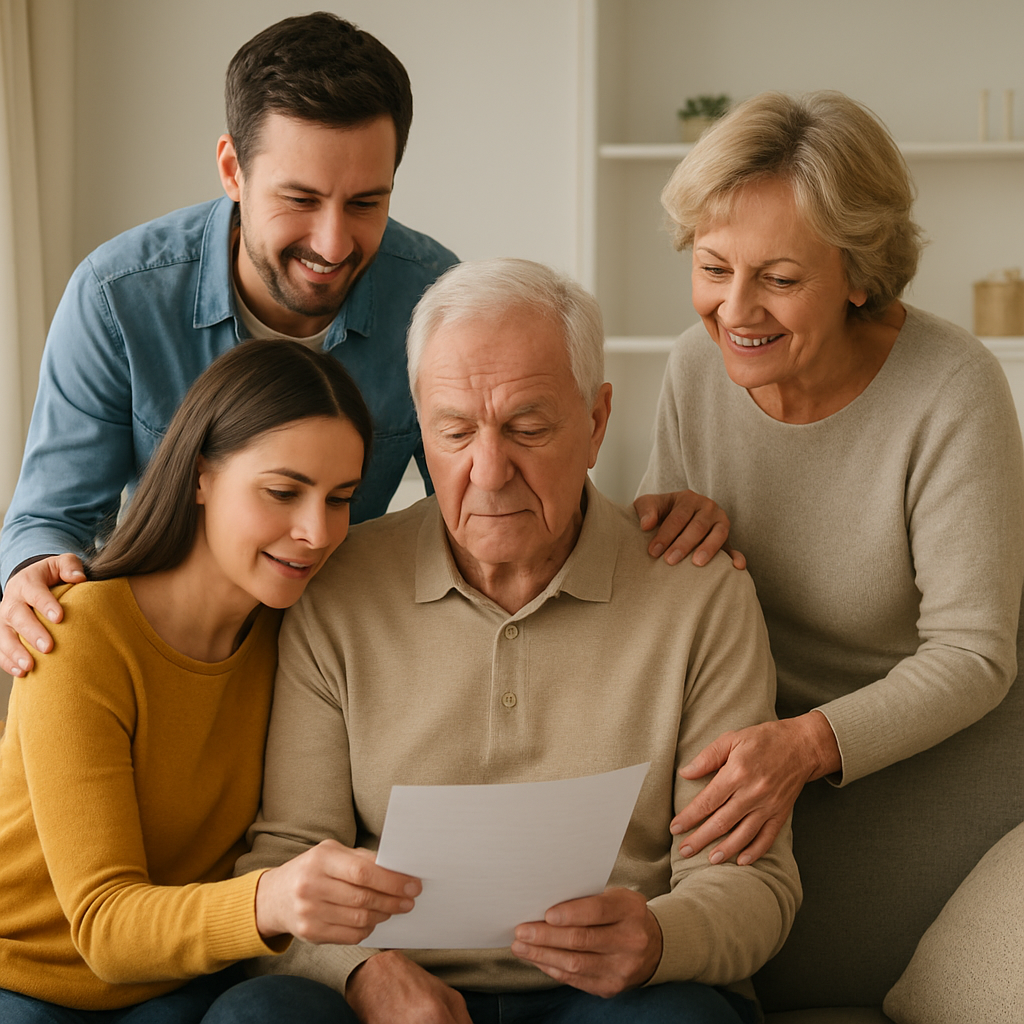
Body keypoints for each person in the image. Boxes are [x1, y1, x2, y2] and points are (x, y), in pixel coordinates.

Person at [232, 259, 801, 1024]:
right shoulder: (337, 588)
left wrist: (661, 938)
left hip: (618, 998)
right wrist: (360, 976)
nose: (489, 470)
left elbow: (752, 884)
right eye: (456, 432)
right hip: (397, 989)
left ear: (597, 422)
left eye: (528, 429)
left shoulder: (700, 594)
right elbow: (285, 860)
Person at [0, 11, 458, 679]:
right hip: (169, 657)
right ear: (232, 170)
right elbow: (53, 520)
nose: (333, 245)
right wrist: (34, 576)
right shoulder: (117, 296)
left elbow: (476, 503)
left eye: (366, 203)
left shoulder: (437, 300)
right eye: (299, 198)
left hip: (344, 655)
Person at [634, 90, 1024, 868]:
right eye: (713, 268)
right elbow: (671, 600)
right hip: (748, 750)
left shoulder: (953, 389)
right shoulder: (694, 367)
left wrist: (806, 746)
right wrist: (656, 532)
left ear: (858, 274)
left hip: (924, 768)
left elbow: (974, 656)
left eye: (779, 279)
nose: (735, 311)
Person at [0, 340, 431, 1023]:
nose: (317, 532)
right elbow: (106, 928)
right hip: (30, 984)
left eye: (342, 498)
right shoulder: (80, 638)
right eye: (283, 492)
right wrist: (274, 897)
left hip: (182, 982)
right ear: (200, 475)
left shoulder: (296, 632)